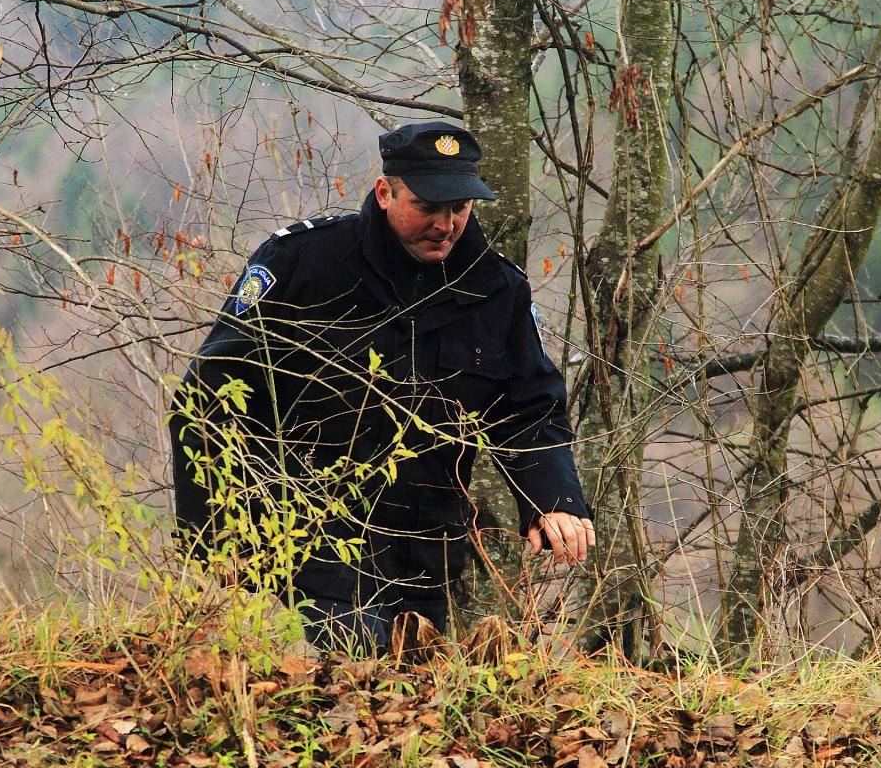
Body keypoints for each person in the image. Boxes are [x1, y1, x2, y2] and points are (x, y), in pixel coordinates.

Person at [171, 120, 593, 650]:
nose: (445, 224)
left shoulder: (495, 288)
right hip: (305, 535)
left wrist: (555, 501)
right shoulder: (303, 263)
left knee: (408, 698)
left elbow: (529, 411)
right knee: (353, 672)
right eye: (428, 207)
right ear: (385, 192)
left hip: (427, 549)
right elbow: (208, 400)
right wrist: (215, 534)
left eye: (459, 208)